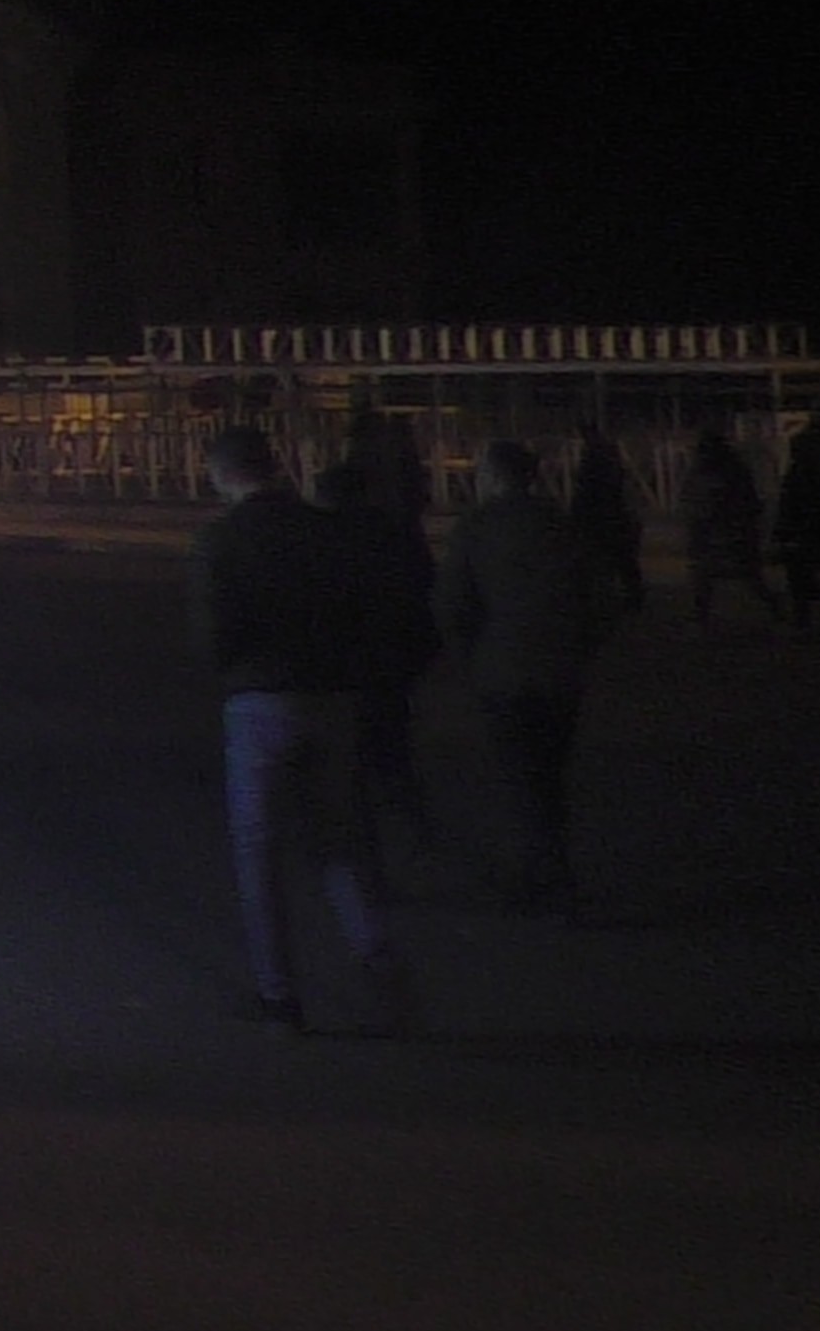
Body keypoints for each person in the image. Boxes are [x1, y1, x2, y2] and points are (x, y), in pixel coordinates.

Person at [191, 427, 405, 1033]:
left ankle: (278, 995)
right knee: (337, 840)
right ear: (274, 465)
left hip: (260, 702)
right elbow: (364, 611)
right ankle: (375, 951)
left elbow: (213, 637)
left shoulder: (220, 540)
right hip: (333, 698)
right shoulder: (325, 531)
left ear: (221, 475)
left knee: (259, 853)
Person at [440, 437, 608, 912]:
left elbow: (453, 604)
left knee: (519, 776)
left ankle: (539, 874)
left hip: (502, 669)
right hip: (559, 669)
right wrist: (580, 645)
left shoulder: (477, 527)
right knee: (550, 773)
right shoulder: (561, 525)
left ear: (493, 476)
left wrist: (468, 658)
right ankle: (552, 867)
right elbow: (601, 597)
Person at [321, 458, 443, 894]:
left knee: (351, 775)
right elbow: (427, 599)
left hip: (342, 673)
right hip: (390, 667)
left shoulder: (322, 542)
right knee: (393, 762)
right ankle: (418, 844)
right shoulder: (395, 536)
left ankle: (369, 867)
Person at [682, 427, 771, 629]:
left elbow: (743, 502)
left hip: (727, 530)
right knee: (709, 575)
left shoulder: (726, 471)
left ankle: (776, 609)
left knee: (741, 575)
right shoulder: (727, 469)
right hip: (722, 530)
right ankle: (701, 614)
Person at [566, 424, 643, 613]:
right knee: (623, 561)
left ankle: (605, 600)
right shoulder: (609, 460)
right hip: (615, 517)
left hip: (601, 518)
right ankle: (632, 598)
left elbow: (582, 495)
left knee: (603, 562)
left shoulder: (593, 461)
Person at [778, 420, 820, 636]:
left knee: (803, 577)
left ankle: (802, 620)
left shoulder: (804, 474)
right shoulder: (807, 474)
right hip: (810, 532)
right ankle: (802, 619)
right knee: (802, 577)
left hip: (811, 531)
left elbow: (789, 504)